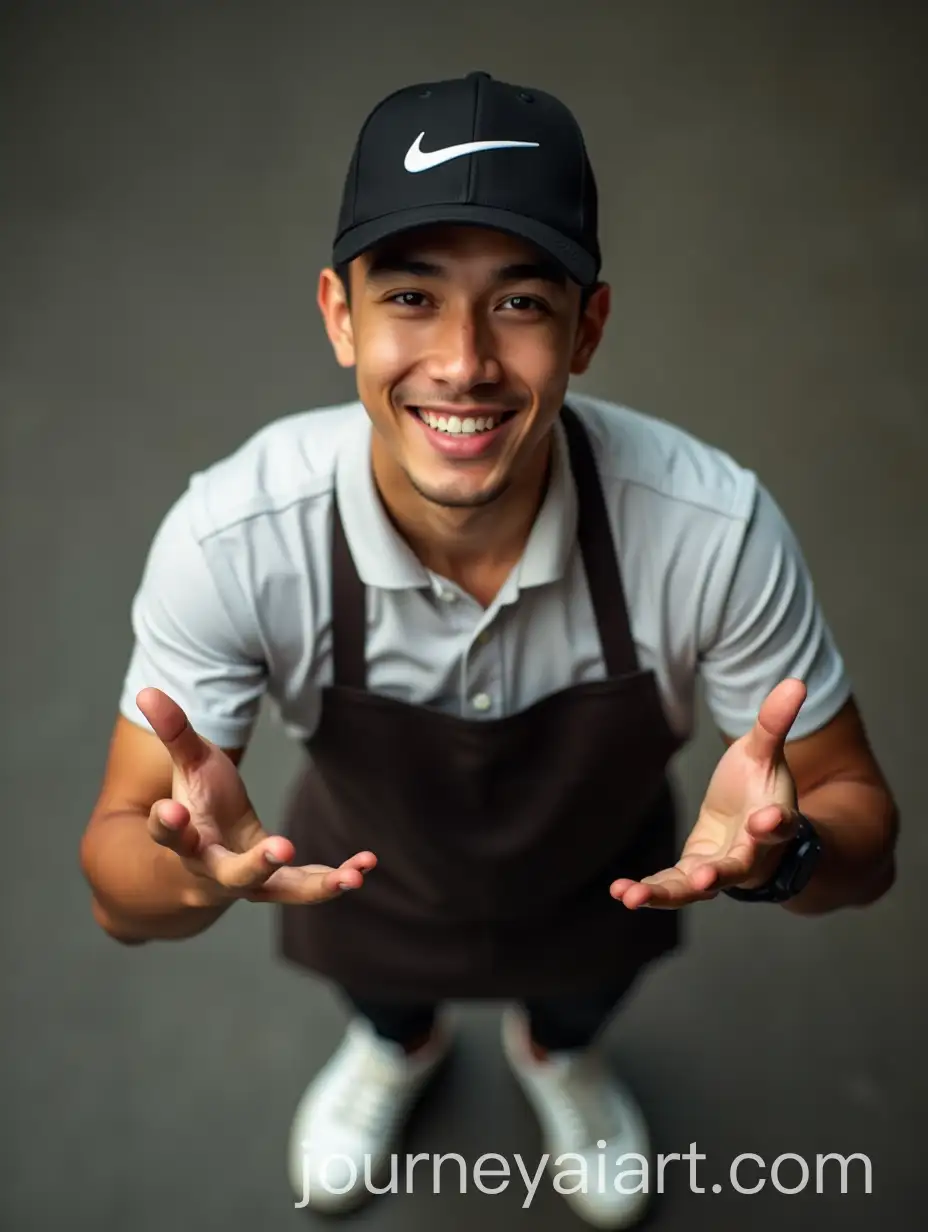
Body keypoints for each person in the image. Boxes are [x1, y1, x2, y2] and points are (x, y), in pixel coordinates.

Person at [79, 71, 899, 1229]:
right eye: (411, 295)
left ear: (588, 326)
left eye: (518, 302)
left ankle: (561, 1061)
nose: (462, 361)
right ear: (338, 314)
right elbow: (118, 886)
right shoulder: (233, 538)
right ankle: (393, 1051)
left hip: (603, 880)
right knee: (384, 996)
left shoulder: (711, 529)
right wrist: (193, 879)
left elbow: (867, 838)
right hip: (367, 877)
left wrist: (788, 854)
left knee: (576, 1005)